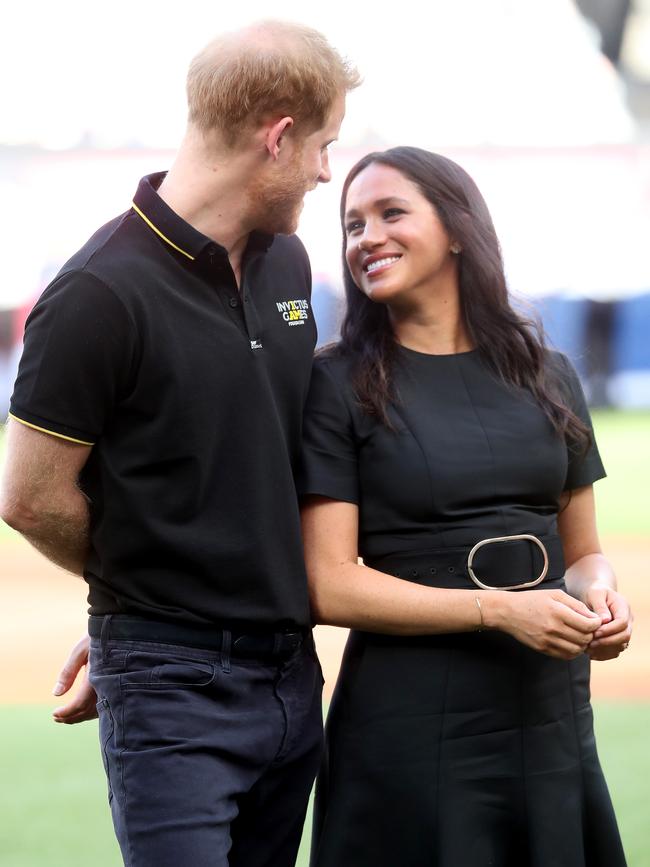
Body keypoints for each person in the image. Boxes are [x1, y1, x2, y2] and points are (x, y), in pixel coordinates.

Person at [0, 21, 359, 867]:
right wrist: (147, 599)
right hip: (171, 685)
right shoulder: (97, 292)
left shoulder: (289, 264)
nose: (324, 169)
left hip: (290, 673)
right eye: (323, 145)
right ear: (277, 137)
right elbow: (29, 495)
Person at [299, 147, 632, 867]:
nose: (366, 237)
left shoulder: (549, 374)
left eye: (391, 213)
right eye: (353, 224)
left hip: (546, 713)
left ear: (455, 228)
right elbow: (329, 582)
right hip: (410, 719)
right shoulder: (335, 383)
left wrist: (600, 597)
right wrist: (500, 609)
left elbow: (583, 555)